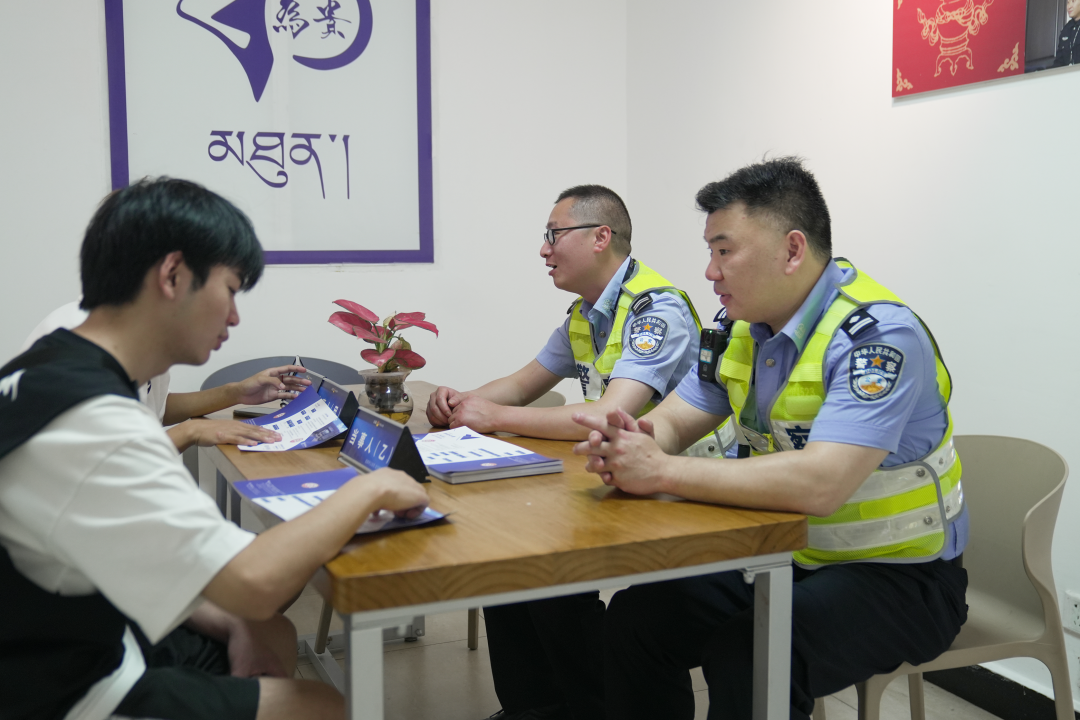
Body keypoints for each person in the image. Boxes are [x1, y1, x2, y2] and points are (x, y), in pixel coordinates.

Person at [0, 178, 430, 720]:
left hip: (78, 622)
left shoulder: (49, 367)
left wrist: (233, 618)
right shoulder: (98, 419)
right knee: (322, 706)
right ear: (173, 275)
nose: (234, 316)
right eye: (230, 289)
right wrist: (371, 488)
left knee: (268, 632)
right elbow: (253, 583)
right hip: (59, 686)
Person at [572, 157, 970, 720]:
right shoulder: (739, 330)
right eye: (710, 251)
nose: (710, 272)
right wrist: (632, 439)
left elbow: (823, 483)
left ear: (792, 250)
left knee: (751, 654)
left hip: (901, 576)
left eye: (724, 251)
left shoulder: (877, 339)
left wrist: (659, 469)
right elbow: (677, 421)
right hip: (785, 555)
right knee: (639, 620)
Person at [427, 185, 717, 720]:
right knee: (510, 563)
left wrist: (494, 417)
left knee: (551, 579)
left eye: (554, 235)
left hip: (682, 488)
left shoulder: (657, 309)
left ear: (600, 237)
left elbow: (609, 412)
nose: (544, 249)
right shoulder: (585, 313)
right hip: (612, 474)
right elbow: (522, 385)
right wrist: (461, 402)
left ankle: (587, 706)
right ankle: (535, 707)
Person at [21, 301, 310, 452]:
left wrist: (235, 393)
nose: (233, 317)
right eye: (226, 289)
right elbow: (115, 462)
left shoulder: (134, 331)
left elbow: (153, 408)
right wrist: (190, 431)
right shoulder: (86, 347)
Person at [1052, 0, 1080, 67]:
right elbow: (1059, 61)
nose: (1069, 6)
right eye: (1068, 2)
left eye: (1073, 1)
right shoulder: (1066, 29)